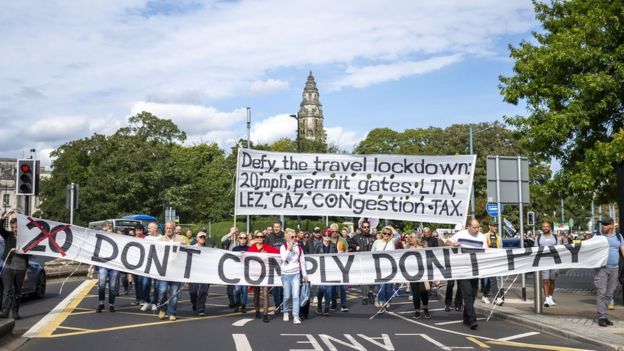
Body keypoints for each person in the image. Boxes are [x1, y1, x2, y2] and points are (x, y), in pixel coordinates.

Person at [445, 219, 487, 330]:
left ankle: (466, 317)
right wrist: (453, 243)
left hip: (475, 269)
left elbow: (486, 252)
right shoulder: (460, 234)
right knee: (467, 293)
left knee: (473, 294)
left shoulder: (482, 237)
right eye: (474, 227)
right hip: (462, 269)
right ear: (468, 227)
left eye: (478, 227)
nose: (477, 229)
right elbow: (446, 242)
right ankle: (472, 320)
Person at [595, 217, 624, 327]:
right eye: (603, 224)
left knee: (610, 293)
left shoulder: (618, 236)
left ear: (612, 225)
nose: (603, 226)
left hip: (615, 268)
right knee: (601, 291)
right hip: (602, 268)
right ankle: (601, 317)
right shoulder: (598, 237)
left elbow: (622, 250)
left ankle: (604, 315)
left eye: (606, 224)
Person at [0, 209, 27, 319]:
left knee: (17, 291)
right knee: (7, 290)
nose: (15, 229)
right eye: (13, 228)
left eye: (16, 227)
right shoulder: (8, 236)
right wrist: (4, 217)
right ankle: (5, 311)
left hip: (21, 268)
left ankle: (15, 312)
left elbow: (31, 250)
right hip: (8, 267)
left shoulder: (26, 239)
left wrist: (18, 250)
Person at [157, 221, 186, 321]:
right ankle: (162, 308)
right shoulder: (160, 239)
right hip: (164, 270)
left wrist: (184, 245)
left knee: (174, 293)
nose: (168, 230)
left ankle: (171, 312)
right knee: (162, 291)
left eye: (170, 228)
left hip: (176, 271)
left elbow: (187, 252)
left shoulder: (180, 238)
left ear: (174, 229)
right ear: (164, 229)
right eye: (167, 228)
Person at [247, 230, 279, 322]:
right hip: (255, 275)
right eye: (258, 237)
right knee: (256, 294)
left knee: (265, 294)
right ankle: (257, 311)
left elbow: (279, 254)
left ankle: (265, 314)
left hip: (265, 274)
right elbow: (246, 259)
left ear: (264, 238)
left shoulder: (268, 248)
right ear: (255, 238)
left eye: (261, 237)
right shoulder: (252, 248)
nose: (260, 238)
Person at [280, 228, 308, 325]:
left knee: (296, 296)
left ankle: (296, 316)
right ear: (287, 237)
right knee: (287, 296)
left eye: (295, 237)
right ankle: (286, 311)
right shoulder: (283, 247)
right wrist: (289, 248)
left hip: (296, 274)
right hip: (285, 274)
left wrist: (304, 274)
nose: (294, 238)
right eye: (292, 237)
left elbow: (302, 262)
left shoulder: (299, 248)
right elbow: (283, 258)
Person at [372, 226, 399, 312]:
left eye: (388, 233)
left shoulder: (392, 242)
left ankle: (387, 302)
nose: (386, 235)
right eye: (384, 233)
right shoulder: (377, 242)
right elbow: (371, 253)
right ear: (381, 234)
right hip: (380, 268)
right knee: (381, 287)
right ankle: (381, 303)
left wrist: (389, 227)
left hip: (390, 268)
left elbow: (398, 235)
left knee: (388, 287)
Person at [312, 229, 337, 316]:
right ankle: (319, 305)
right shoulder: (318, 245)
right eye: (326, 236)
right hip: (321, 271)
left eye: (329, 236)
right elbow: (314, 258)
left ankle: (326, 308)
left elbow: (336, 258)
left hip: (329, 271)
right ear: (322, 236)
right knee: (321, 289)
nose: (327, 237)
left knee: (329, 291)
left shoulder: (333, 246)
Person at [405, 232, 431, 319]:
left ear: (417, 238)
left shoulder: (423, 247)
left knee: (423, 291)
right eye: (409, 237)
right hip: (412, 273)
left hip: (422, 272)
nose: (410, 239)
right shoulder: (408, 247)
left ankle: (425, 308)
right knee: (415, 292)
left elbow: (429, 255)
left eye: (411, 237)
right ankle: (417, 311)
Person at [535, 221, 560, 307]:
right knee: (545, 280)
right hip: (543, 261)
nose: (545, 228)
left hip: (554, 261)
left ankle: (550, 297)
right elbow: (535, 249)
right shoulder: (538, 238)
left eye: (547, 226)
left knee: (552, 280)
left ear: (550, 228)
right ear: (542, 228)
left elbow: (560, 249)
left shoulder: (555, 238)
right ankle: (546, 299)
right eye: (544, 226)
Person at [353, 220, 376, 305]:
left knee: (372, 279)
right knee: (363, 280)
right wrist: (355, 246)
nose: (366, 229)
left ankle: (371, 292)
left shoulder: (373, 237)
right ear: (362, 228)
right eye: (364, 227)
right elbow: (349, 243)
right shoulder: (357, 237)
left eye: (367, 227)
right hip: (361, 261)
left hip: (371, 261)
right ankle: (364, 297)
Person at [189, 231, 211, 316]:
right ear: (197, 238)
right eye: (200, 237)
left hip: (205, 273)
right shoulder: (191, 247)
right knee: (193, 292)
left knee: (203, 291)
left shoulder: (209, 249)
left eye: (204, 237)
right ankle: (195, 304)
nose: (202, 238)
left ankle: (201, 308)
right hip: (193, 273)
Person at [481, 220, 503, 306]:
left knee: (491, 280)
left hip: (495, 260)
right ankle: (497, 298)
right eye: (494, 226)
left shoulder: (498, 237)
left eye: (496, 226)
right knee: (493, 279)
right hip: (487, 260)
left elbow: (501, 248)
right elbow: (482, 248)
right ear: (489, 226)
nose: (496, 227)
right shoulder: (484, 236)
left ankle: (485, 296)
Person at [328, 223, 349, 312]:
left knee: (343, 287)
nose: (335, 233)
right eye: (333, 231)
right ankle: (333, 303)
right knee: (332, 287)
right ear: (330, 231)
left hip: (341, 266)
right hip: (331, 267)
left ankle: (343, 304)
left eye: (336, 231)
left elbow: (347, 251)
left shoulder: (342, 240)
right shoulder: (327, 239)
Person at [140, 222, 160, 312]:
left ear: (155, 229)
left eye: (149, 228)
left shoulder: (161, 238)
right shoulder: (146, 238)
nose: (147, 230)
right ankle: (147, 302)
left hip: (158, 264)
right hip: (147, 264)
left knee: (157, 285)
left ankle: (155, 303)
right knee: (145, 284)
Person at [266, 220, 286, 314]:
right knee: (275, 288)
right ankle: (277, 305)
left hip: (284, 266)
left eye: (278, 226)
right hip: (273, 266)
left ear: (281, 227)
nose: (276, 228)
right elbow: (265, 249)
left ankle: (282, 305)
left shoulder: (285, 236)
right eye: (275, 227)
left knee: (283, 287)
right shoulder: (269, 237)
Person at [221, 227, 239, 308]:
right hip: (229, 265)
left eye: (236, 231)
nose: (235, 233)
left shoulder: (239, 240)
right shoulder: (228, 241)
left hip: (238, 265)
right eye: (233, 231)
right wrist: (230, 234)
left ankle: (238, 302)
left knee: (238, 286)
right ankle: (232, 301)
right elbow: (222, 240)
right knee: (230, 286)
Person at [232, 232, 250, 313]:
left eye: (245, 238)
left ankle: (243, 305)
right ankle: (237, 304)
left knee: (245, 290)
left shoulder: (249, 249)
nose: (243, 240)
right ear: (238, 239)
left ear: (247, 239)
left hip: (246, 272)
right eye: (241, 238)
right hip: (237, 272)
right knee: (237, 290)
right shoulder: (235, 249)